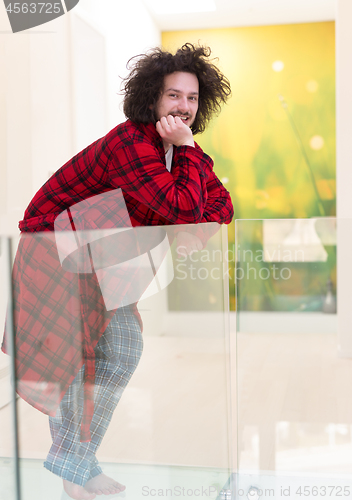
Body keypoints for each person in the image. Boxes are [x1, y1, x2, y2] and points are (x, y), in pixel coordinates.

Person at [2, 43, 233, 500]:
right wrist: (187, 166)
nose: (184, 107)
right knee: (74, 363)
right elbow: (181, 205)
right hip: (57, 252)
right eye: (173, 96)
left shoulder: (180, 149)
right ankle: (77, 471)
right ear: (152, 99)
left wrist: (192, 225)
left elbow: (220, 205)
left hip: (102, 256)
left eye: (191, 98)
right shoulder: (133, 143)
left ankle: (76, 463)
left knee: (122, 350)